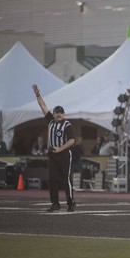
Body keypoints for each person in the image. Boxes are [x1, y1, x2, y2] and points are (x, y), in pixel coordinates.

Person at [32, 84, 76, 212]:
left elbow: (72, 141)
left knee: (65, 179)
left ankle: (70, 202)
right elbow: (43, 106)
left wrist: (60, 149)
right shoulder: (50, 121)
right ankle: (55, 203)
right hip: (52, 154)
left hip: (64, 154)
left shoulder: (67, 125)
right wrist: (37, 94)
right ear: (54, 113)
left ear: (64, 114)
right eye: (57, 112)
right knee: (52, 179)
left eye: (61, 112)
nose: (58, 114)